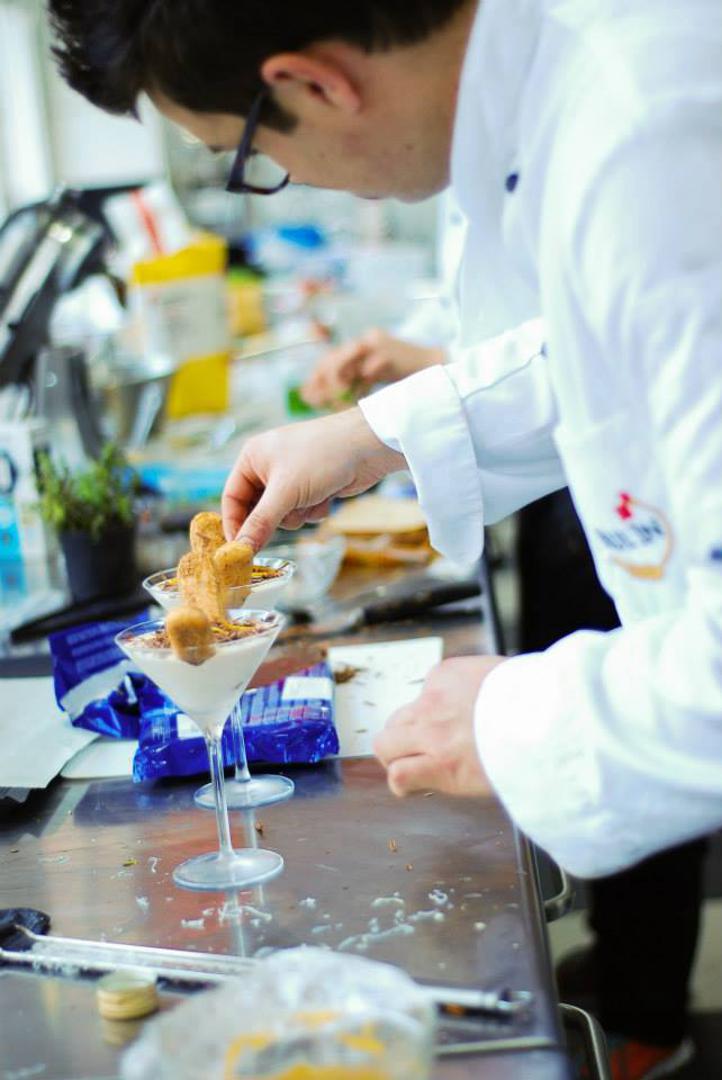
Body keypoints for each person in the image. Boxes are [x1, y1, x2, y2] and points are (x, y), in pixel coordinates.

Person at [48, 3, 722, 1074]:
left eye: (246, 157)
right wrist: (376, 433)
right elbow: (593, 351)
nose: (282, 178)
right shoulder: (574, 100)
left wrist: (510, 717)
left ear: (315, 84)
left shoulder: (646, 143)